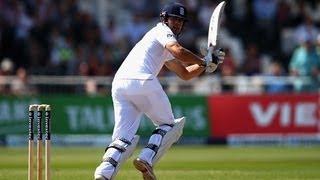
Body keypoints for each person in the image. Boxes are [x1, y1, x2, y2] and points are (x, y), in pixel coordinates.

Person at [93, 3, 224, 180]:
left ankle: (104, 172)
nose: (177, 23)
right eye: (174, 19)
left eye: (181, 21)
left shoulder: (157, 41)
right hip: (141, 80)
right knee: (170, 126)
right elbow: (178, 51)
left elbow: (184, 73)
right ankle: (146, 159)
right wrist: (203, 61)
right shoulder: (161, 31)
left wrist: (207, 65)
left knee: (123, 138)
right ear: (164, 19)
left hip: (120, 84)